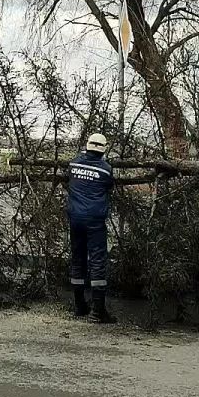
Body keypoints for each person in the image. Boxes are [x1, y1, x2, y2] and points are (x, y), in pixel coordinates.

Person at [66, 133, 116, 324]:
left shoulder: (73, 164)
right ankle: (98, 311)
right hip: (95, 221)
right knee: (97, 262)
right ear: (103, 149)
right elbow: (109, 186)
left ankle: (79, 306)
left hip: (75, 218)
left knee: (78, 259)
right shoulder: (105, 170)